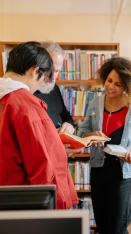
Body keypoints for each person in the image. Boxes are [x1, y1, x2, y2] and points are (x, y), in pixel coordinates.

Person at [0, 41, 78, 209]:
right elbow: (44, 166)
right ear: (35, 71)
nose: (42, 84)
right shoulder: (26, 105)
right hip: (23, 199)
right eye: (44, 77)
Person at [79, 57, 131, 234]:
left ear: (127, 86)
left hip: (123, 175)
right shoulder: (95, 103)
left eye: (118, 84)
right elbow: (82, 132)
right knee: (102, 226)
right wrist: (91, 135)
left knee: (118, 227)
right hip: (98, 170)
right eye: (109, 81)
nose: (111, 87)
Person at [34, 41, 81, 156]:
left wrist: (69, 125)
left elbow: (65, 115)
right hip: (43, 154)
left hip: (59, 151)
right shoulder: (26, 92)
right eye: (51, 70)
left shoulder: (53, 87)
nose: (54, 77)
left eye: (57, 71)